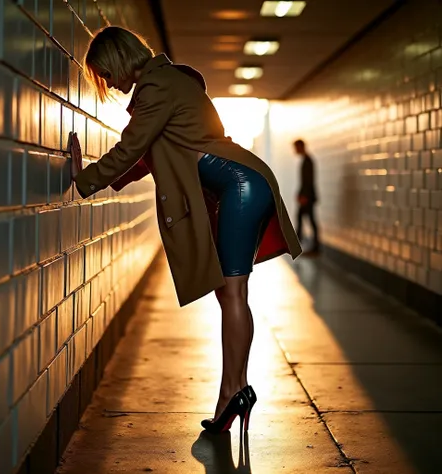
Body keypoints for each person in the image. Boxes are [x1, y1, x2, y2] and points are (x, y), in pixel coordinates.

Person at [70, 26, 302, 436]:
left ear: (121, 59)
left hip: (241, 184)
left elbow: (132, 147)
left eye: (107, 72)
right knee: (229, 293)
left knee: (232, 293)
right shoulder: (168, 81)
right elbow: (150, 155)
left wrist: (84, 178)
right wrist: (103, 179)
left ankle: (234, 390)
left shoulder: (156, 86)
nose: (110, 83)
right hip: (239, 183)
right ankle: (235, 390)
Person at [293, 139, 320, 255]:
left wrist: (304, 195)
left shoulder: (307, 161)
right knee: (305, 219)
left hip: (307, 196)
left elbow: (308, 181)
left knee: (307, 220)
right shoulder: (306, 160)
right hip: (307, 195)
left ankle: (301, 245)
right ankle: (299, 244)